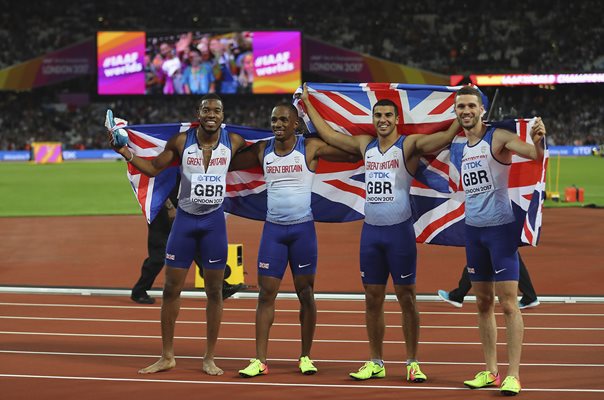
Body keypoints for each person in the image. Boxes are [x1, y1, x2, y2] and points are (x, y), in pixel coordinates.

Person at [300, 84, 460, 383]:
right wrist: (309, 104)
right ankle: (375, 361)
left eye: (387, 115)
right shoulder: (366, 145)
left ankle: (412, 362)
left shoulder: (408, 145)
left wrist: (462, 112)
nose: (382, 119)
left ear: (396, 118)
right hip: (371, 234)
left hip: (399, 233)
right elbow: (330, 136)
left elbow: (445, 138)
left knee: (407, 298)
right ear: (373, 118)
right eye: (378, 115)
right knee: (372, 299)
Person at [108, 93, 248, 376]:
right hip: (184, 223)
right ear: (199, 112)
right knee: (171, 289)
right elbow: (153, 168)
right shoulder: (182, 141)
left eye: (217, 110)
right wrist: (125, 152)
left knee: (215, 292)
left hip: (213, 224)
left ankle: (209, 357)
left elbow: (264, 156)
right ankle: (167, 355)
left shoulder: (233, 143)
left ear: (223, 115)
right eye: (207, 109)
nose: (211, 114)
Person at [230, 102, 360, 377]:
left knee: (306, 294)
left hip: (302, 231)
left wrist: (314, 111)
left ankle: (305, 357)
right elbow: (225, 162)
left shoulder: (310, 147)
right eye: (274, 120)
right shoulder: (263, 149)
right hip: (274, 232)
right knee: (266, 295)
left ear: (296, 124)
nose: (277, 124)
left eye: (283, 120)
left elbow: (351, 154)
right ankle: (260, 360)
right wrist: (231, 141)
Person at [453, 85, 545, 396]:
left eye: (470, 106)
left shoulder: (499, 138)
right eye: (461, 107)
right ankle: (491, 371)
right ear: (456, 112)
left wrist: (539, 141)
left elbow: (534, 155)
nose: (466, 111)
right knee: (481, 304)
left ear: (481, 109)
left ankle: (513, 375)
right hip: (473, 232)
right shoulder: (459, 147)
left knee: (508, 304)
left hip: (500, 232)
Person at [131, 182, 245, 304]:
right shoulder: (164, 165)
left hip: (181, 208)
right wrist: (170, 207)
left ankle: (221, 286)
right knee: (158, 256)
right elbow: (157, 187)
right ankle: (139, 290)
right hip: (161, 212)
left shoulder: (180, 164)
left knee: (196, 246)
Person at [437, 253, 539, 309]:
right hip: (502, 227)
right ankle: (530, 296)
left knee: (477, 257)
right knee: (512, 257)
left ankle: (458, 295)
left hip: (495, 226)